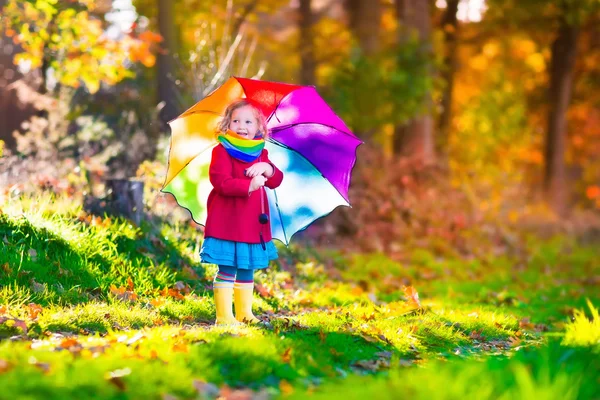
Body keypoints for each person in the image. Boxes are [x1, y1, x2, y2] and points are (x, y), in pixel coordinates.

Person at [200, 99, 283, 325]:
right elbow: (221, 182)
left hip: (251, 222)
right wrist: (249, 186)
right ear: (227, 124)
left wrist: (268, 168)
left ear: (259, 128)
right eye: (235, 120)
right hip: (227, 220)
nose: (241, 125)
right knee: (227, 267)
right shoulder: (221, 151)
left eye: (248, 121)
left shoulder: (260, 152)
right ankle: (224, 316)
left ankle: (245, 314)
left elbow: (276, 180)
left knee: (247, 267)